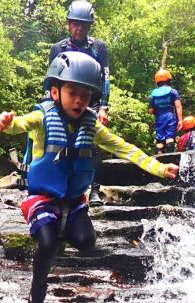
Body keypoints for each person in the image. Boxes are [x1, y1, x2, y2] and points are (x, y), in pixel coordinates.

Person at [0, 52, 180, 303]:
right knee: (48, 242)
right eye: (72, 93)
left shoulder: (91, 126)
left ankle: (61, 233)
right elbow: (19, 124)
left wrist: (160, 169)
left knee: (86, 242)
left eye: (85, 95)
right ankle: (37, 293)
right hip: (43, 197)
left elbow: (125, 149)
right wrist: (7, 123)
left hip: (73, 201)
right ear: (55, 92)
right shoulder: (42, 117)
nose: (79, 100)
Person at [48, 1, 110, 206]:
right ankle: (59, 184)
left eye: (84, 24)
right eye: (75, 23)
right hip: (64, 102)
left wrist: (104, 107)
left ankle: (95, 189)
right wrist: (50, 104)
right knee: (59, 140)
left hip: (91, 101)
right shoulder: (58, 48)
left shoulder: (98, 47)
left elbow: (105, 78)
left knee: (93, 143)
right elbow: (52, 79)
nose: (79, 28)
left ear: (89, 26)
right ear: (68, 24)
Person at [149, 69, 182, 154]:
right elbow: (178, 106)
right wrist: (180, 120)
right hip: (170, 116)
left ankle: (160, 155)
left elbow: (150, 110)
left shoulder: (154, 94)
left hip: (159, 118)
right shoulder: (173, 91)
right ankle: (170, 156)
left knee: (160, 139)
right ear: (168, 79)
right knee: (170, 138)